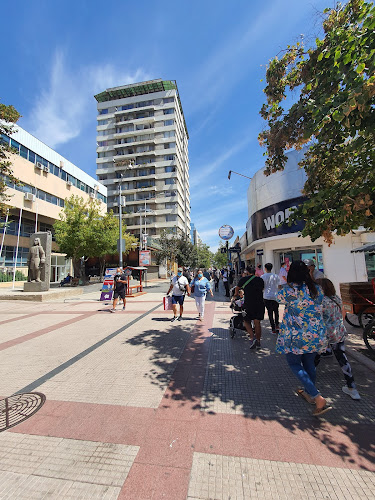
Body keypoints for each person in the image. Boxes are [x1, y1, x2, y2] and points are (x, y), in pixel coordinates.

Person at [276, 260, 331, 416]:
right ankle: (310, 393)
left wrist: (286, 283)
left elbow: (277, 297)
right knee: (309, 364)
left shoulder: (289, 290)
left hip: (296, 336)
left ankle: (317, 397)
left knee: (294, 364)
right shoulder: (317, 289)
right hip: (315, 334)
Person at [315, 278, 360, 400]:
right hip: (338, 333)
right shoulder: (336, 298)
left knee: (315, 359)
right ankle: (352, 388)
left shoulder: (320, 302)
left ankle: (309, 386)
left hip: (324, 334)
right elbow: (343, 314)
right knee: (342, 359)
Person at [235, 266, 265, 349]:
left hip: (249, 304)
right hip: (259, 303)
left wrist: (235, 295)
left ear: (247, 272)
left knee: (246, 321)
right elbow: (262, 289)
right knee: (257, 322)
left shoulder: (243, 279)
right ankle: (258, 341)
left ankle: (252, 337)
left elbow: (237, 288)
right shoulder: (260, 279)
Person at [261, 263, 280, 333]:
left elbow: (262, 287)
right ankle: (277, 324)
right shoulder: (276, 276)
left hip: (266, 296)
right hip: (275, 296)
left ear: (265, 268)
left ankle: (273, 328)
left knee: (270, 312)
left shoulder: (262, 277)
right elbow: (280, 286)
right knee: (276, 311)